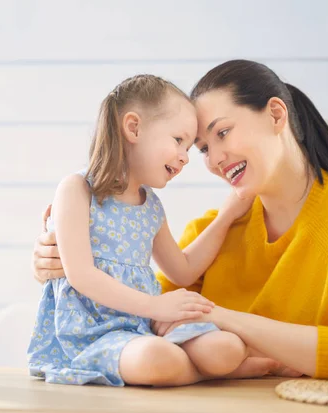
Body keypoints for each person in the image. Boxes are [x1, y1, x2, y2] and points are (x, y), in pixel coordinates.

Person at [32, 60, 328, 380]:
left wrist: (225, 319)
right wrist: (62, 261)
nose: (212, 160)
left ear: (276, 114)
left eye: (222, 133)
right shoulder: (212, 232)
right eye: (203, 148)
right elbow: (152, 320)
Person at [28, 74, 257, 387]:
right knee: (159, 359)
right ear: (133, 128)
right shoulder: (77, 190)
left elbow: (184, 269)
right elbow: (81, 275)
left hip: (144, 327)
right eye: (178, 140)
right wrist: (156, 306)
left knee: (226, 348)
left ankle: (217, 366)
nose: (185, 157)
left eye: (189, 148)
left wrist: (227, 216)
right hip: (92, 334)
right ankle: (211, 373)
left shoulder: (151, 206)